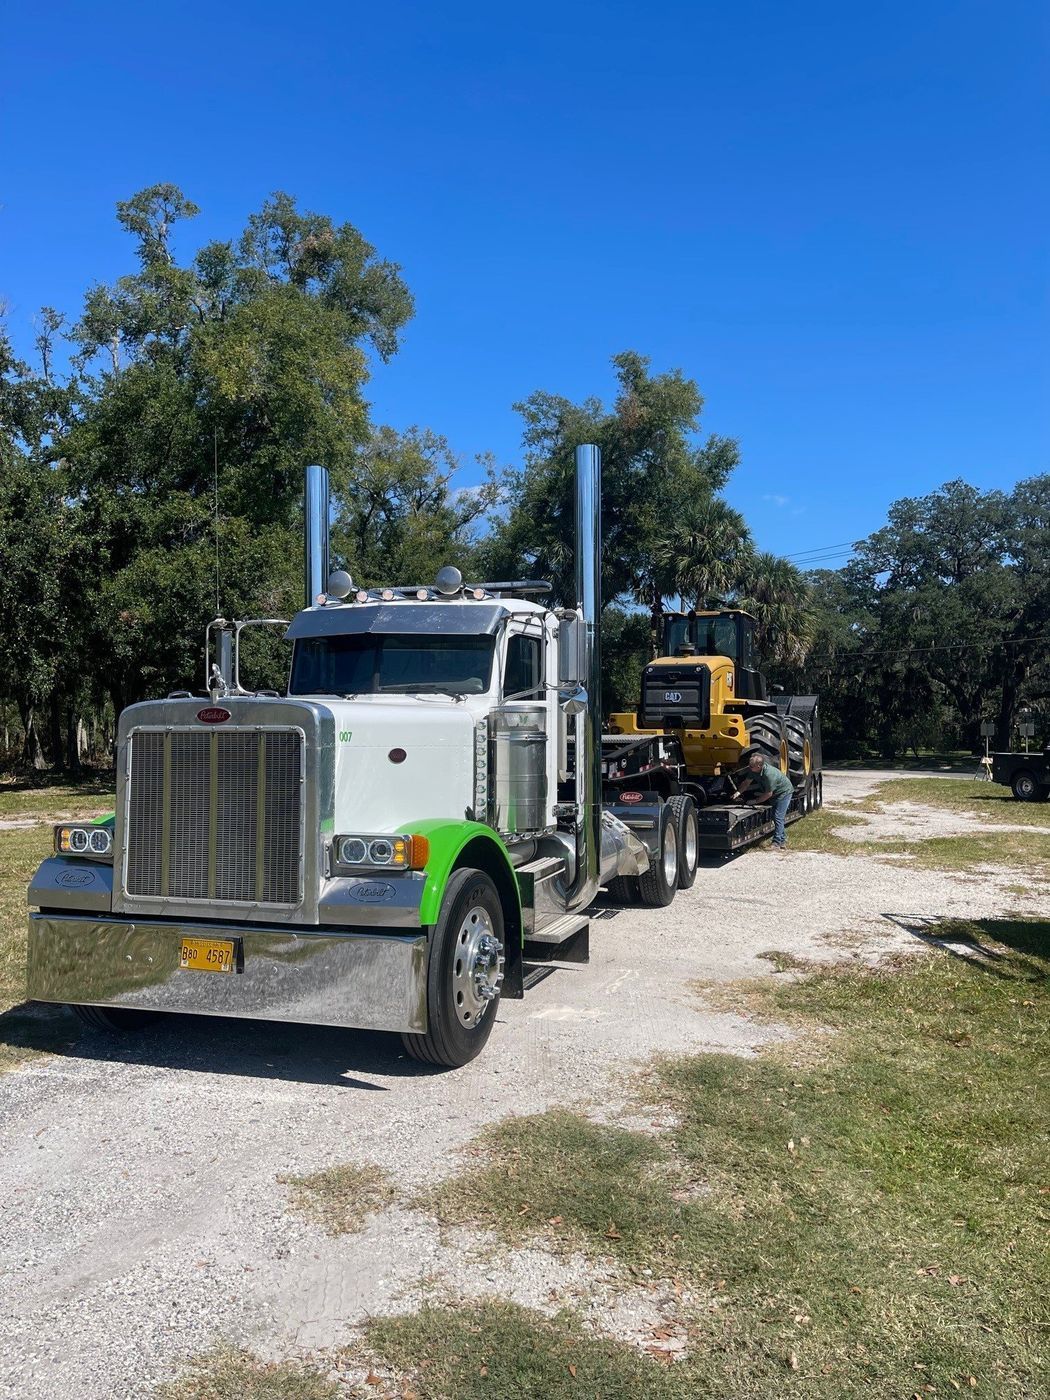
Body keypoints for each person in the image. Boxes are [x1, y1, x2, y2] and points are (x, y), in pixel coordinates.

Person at [733, 750, 794, 850]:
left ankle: (776, 843)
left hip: (784, 793)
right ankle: (782, 841)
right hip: (775, 793)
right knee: (776, 817)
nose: (749, 767)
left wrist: (755, 801)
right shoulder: (753, 770)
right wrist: (738, 792)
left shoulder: (769, 774)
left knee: (778, 817)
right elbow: (746, 782)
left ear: (758, 766)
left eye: (751, 766)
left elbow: (768, 794)